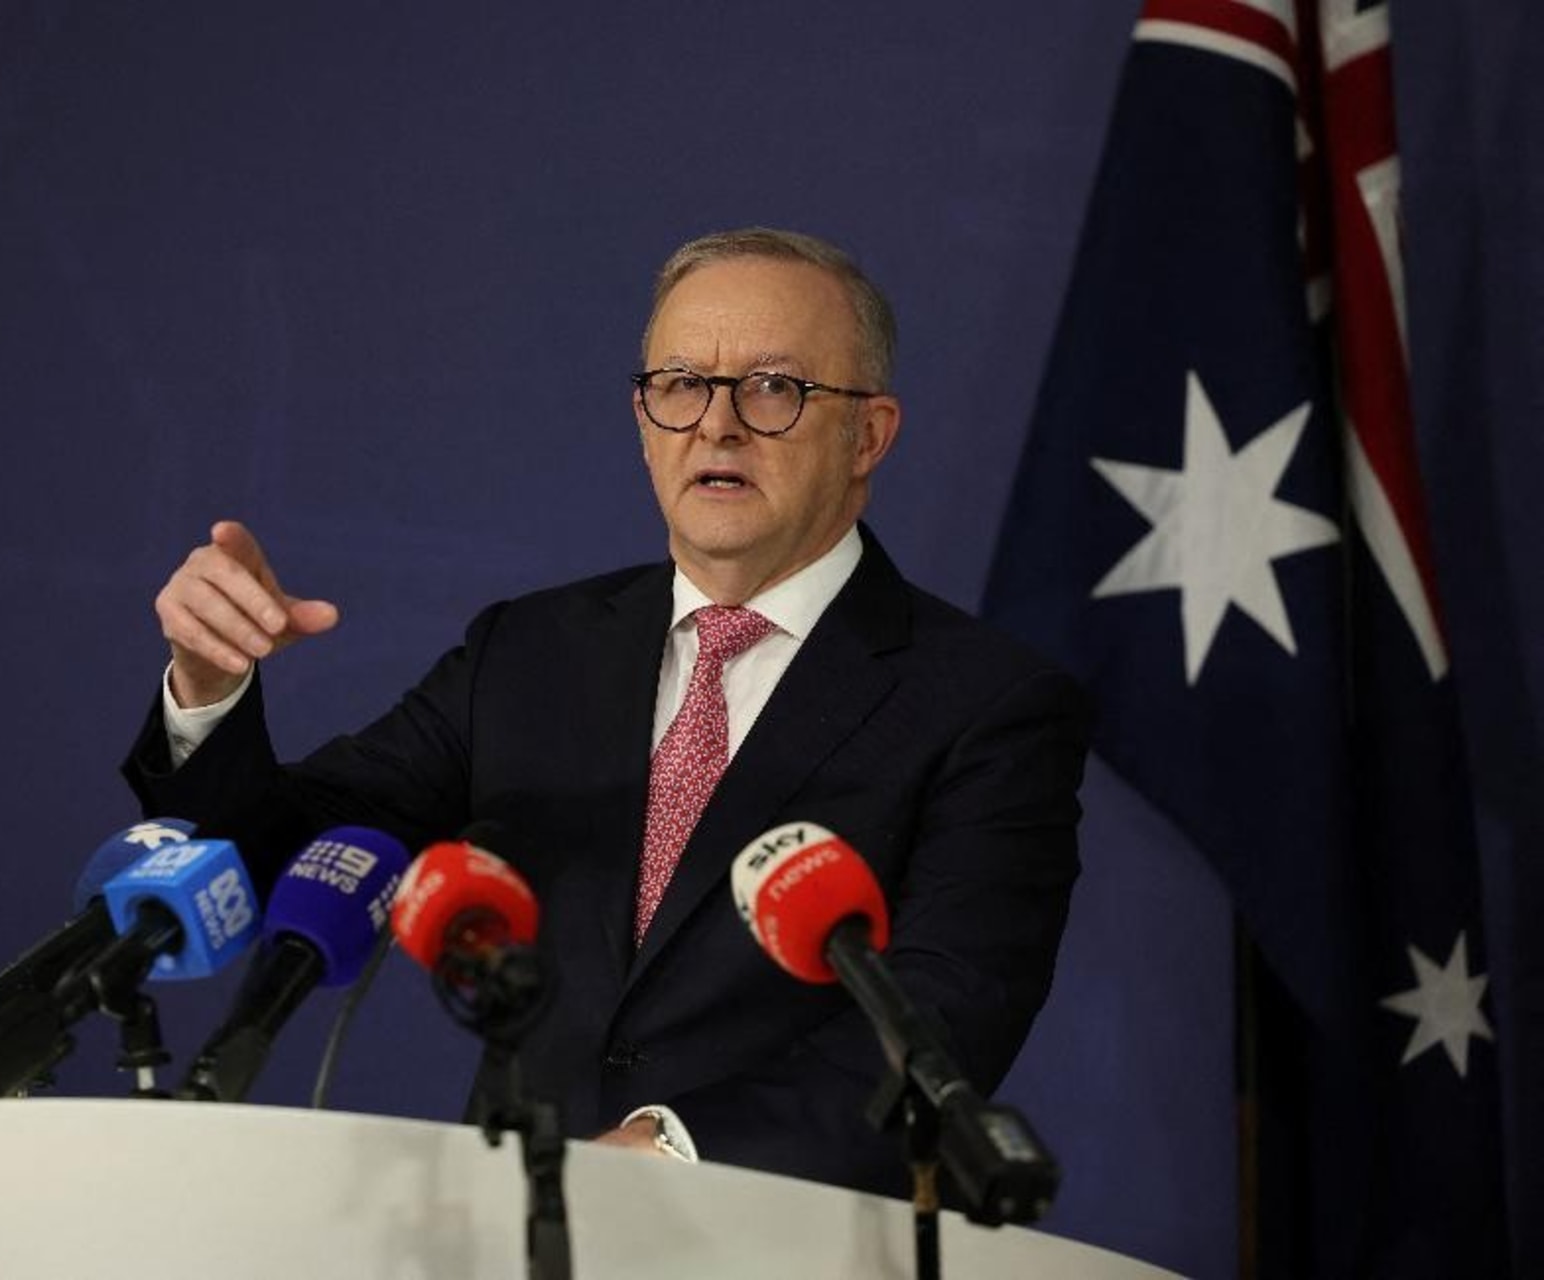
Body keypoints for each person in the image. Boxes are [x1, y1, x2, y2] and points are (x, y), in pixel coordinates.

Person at [122, 227, 1092, 1197]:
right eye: (679, 384)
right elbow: (285, 868)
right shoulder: (531, 651)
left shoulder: (986, 704)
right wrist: (208, 689)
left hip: (784, 1239)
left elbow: (947, 1013)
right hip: (520, 1237)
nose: (717, 425)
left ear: (867, 434)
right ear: (642, 417)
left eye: (773, 387)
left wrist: (671, 1151)